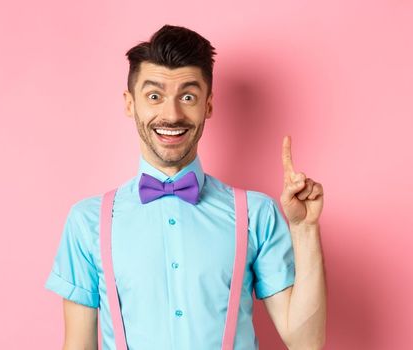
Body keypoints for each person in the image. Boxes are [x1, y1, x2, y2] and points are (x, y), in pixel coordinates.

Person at [44, 25, 327, 349]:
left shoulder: (256, 214)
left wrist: (304, 229)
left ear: (207, 105)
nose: (172, 113)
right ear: (129, 103)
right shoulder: (87, 221)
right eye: (154, 96)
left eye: (188, 97)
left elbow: (306, 342)